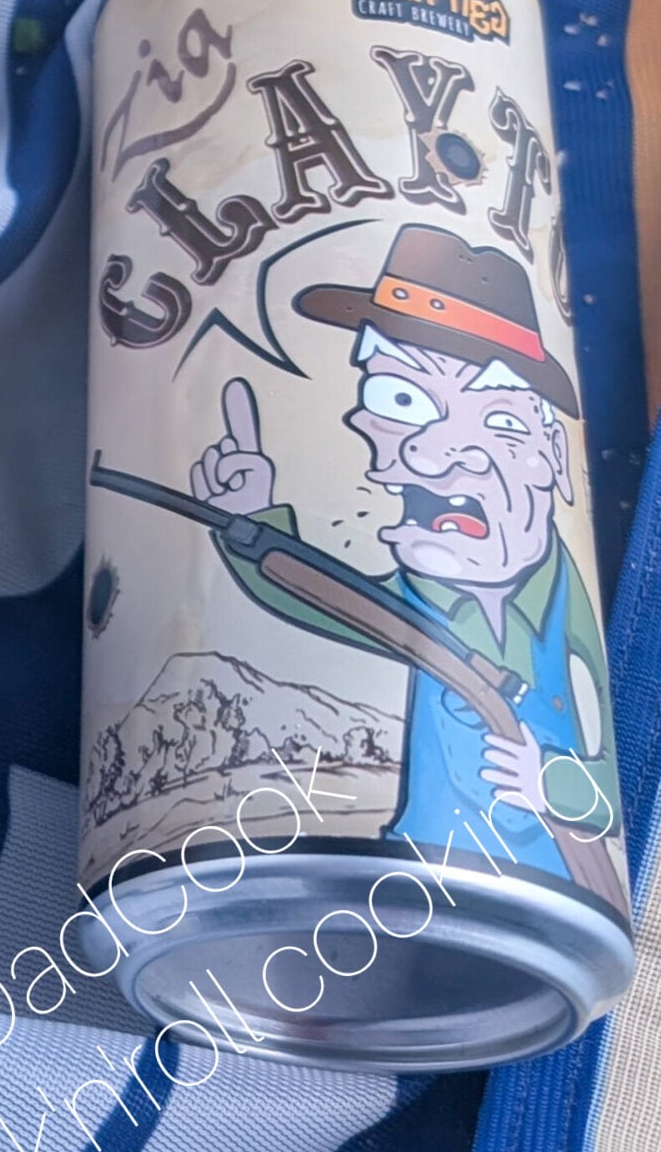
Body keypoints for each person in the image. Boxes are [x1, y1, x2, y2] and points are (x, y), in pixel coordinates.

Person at [188, 224, 617, 888]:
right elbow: (325, 596)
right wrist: (253, 524)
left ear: (552, 458)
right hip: (405, 869)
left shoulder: (565, 604)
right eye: (400, 400)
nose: (432, 451)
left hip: (548, 881)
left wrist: (550, 780)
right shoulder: (424, 591)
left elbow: (599, 776)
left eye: (499, 420)